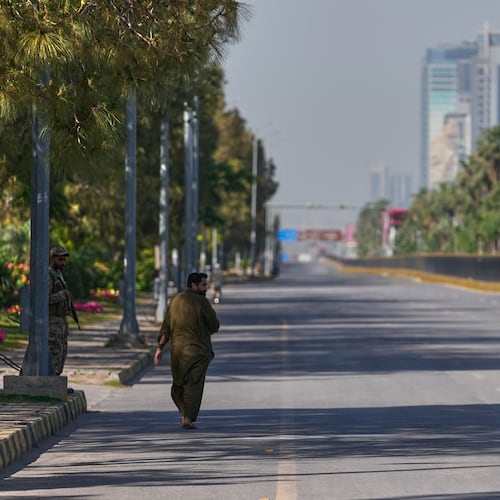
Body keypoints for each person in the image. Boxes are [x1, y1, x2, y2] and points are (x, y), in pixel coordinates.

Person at [154, 272, 220, 429]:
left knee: (180, 384)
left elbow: (166, 328)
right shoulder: (201, 302)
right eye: (203, 285)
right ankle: (187, 418)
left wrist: (159, 348)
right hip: (198, 352)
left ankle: (185, 415)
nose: (206, 288)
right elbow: (214, 325)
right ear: (193, 285)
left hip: (177, 353)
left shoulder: (175, 300)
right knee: (194, 385)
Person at [48, 246, 73, 375]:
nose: (63, 263)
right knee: (55, 353)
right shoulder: (48, 276)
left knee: (62, 353)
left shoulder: (59, 275)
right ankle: (51, 382)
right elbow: (44, 300)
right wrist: (62, 295)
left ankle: (57, 380)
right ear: (52, 259)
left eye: (64, 260)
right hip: (52, 322)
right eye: (60, 259)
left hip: (61, 321)